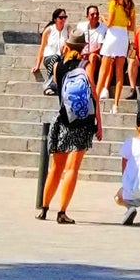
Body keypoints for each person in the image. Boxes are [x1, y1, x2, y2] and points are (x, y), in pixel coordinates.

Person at [39, 39, 102, 223]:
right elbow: (93, 93)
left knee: (56, 168)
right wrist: (99, 121)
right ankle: (62, 212)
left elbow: (60, 91)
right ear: (83, 47)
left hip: (62, 120)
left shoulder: (58, 65)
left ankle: (44, 208)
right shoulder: (86, 65)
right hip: (82, 122)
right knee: (72, 169)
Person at [94, 0, 137, 108]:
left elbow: (109, 23)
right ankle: (116, 104)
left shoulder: (114, 3)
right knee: (119, 72)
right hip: (123, 36)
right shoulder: (131, 6)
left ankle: (96, 97)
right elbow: (132, 27)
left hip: (112, 36)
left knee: (104, 69)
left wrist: (102, 18)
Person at [32, 7, 70, 94]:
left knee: (57, 64)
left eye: (65, 17)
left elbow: (72, 40)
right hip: (49, 57)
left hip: (62, 58)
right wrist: (37, 65)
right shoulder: (49, 30)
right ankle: (47, 85)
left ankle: (53, 85)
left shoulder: (67, 29)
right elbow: (42, 48)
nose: (63, 20)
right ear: (55, 19)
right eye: (61, 17)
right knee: (55, 58)